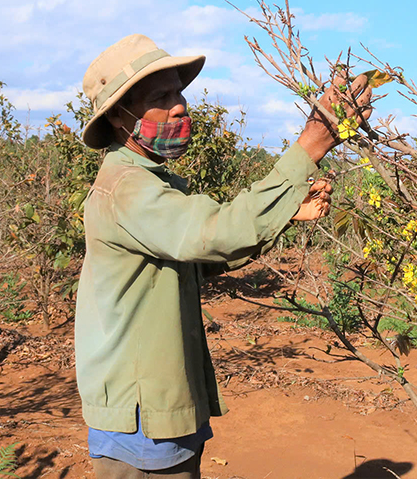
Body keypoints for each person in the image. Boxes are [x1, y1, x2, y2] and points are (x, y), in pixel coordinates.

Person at [74, 34, 371, 478]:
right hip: (141, 416)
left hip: (161, 403)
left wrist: (286, 213)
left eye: (179, 92)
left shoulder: (153, 183)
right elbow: (216, 233)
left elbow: (201, 256)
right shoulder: (128, 189)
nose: (179, 106)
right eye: (161, 97)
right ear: (119, 115)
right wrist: (311, 144)